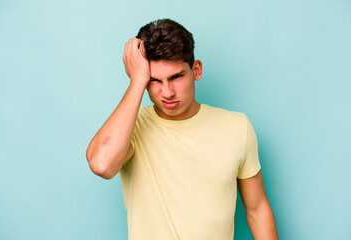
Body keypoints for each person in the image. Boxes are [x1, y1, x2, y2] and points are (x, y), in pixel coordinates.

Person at [86, 18, 278, 240]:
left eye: (176, 77)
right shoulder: (133, 127)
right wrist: (137, 81)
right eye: (154, 80)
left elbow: (257, 209)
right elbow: (101, 164)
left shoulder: (237, 127)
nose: (167, 92)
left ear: (196, 70)